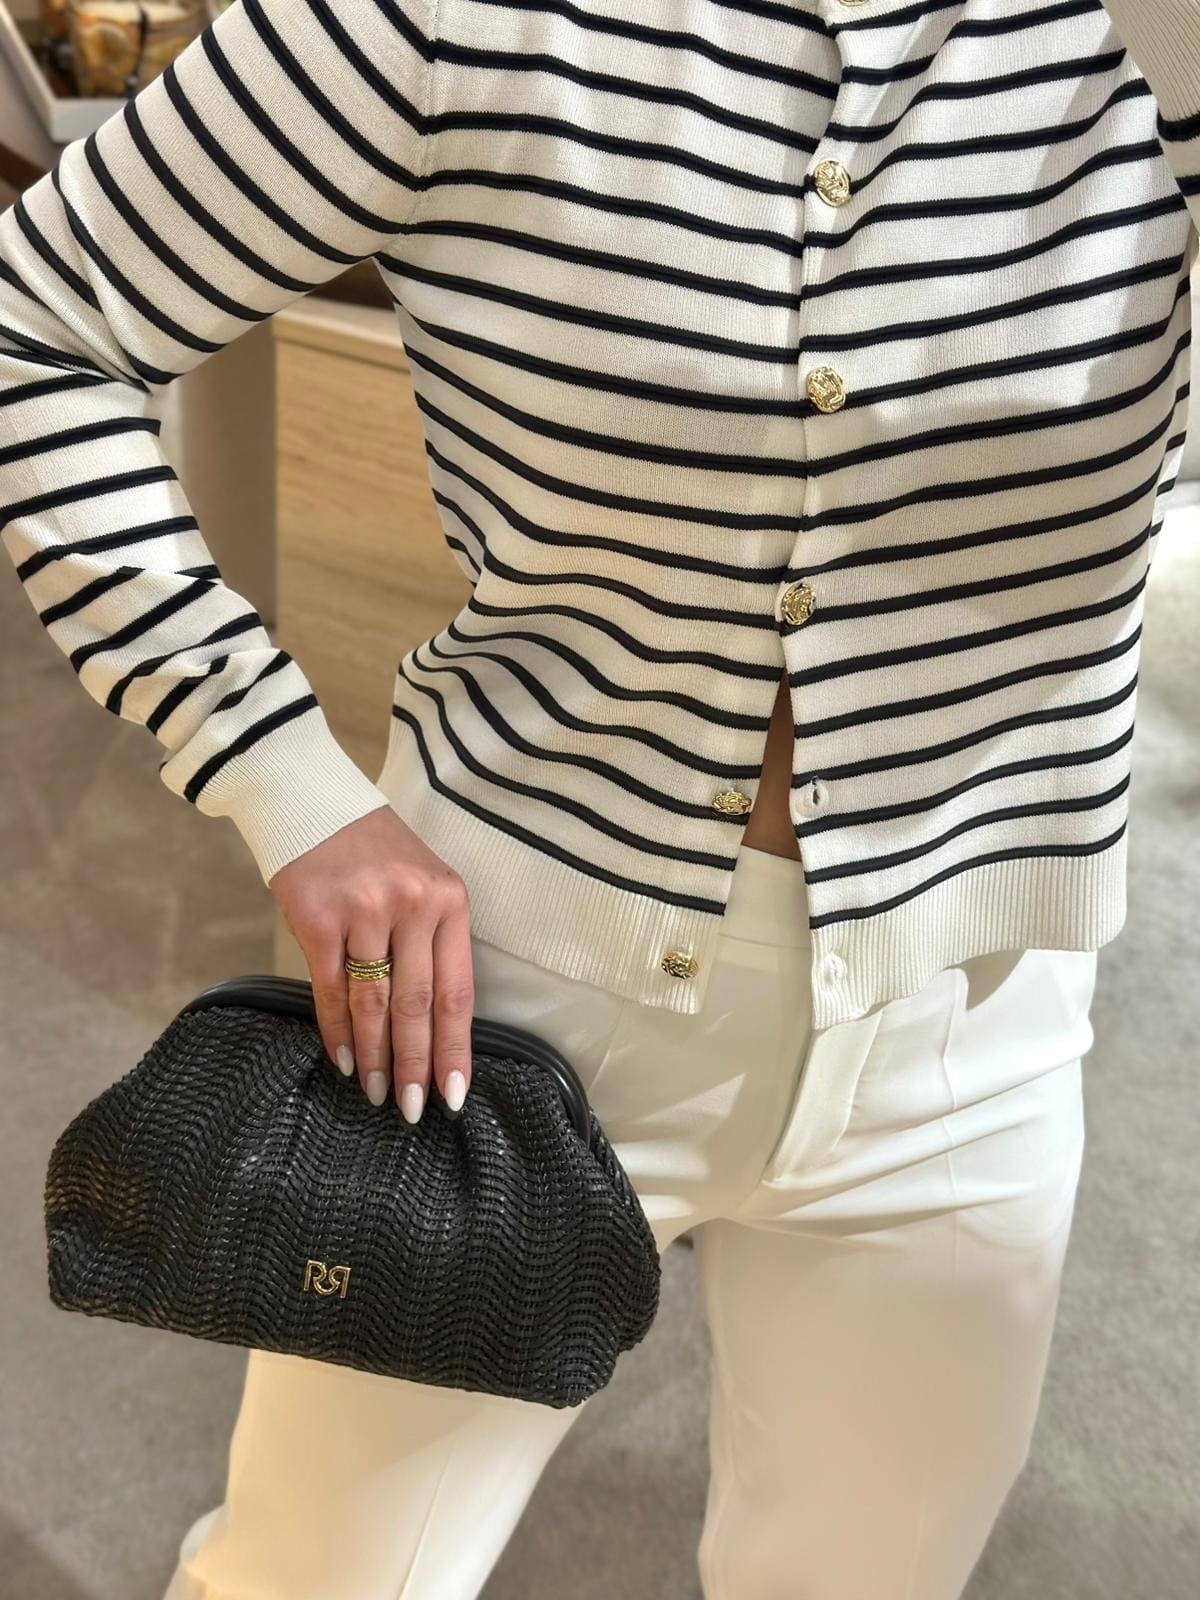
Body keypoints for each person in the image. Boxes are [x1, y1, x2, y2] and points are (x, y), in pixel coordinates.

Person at [1, 2, 1194, 1596]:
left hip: (973, 1029)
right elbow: (36, 317)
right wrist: (280, 776)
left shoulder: (1142, 50)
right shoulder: (458, 17)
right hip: (492, 1009)